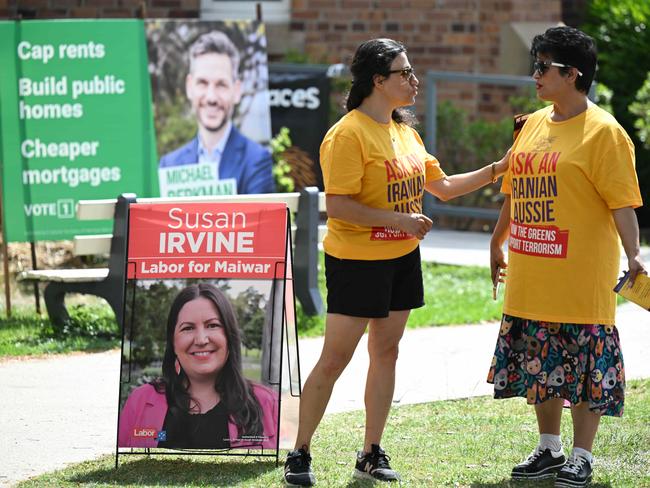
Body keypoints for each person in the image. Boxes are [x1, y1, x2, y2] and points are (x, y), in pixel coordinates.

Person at [283, 38, 511, 486]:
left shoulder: (405, 131)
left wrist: (499, 167)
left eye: (412, 71)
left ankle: (370, 452)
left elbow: (442, 186)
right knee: (334, 359)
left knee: (386, 352)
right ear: (378, 80)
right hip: (357, 262)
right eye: (404, 73)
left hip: (401, 260)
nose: (414, 80)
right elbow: (341, 206)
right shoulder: (347, 134)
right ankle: (299, 451)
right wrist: (398, 220)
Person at [487, 26, 645, 488]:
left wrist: (634, 254)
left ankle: (581, 455)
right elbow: (515, 191)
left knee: (583, 367)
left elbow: (622, 204)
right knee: (541, 361)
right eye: (534, 65)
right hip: (532, 271)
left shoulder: (605, 133)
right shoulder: (531, 124)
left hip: (581, 276)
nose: (534, 75)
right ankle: (549, 448)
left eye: (543, 67)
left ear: (572, 74)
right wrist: (496, 241)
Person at [118, 283, 278, 449]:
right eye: (188, 328)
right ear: (173, 342)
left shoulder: (268, 403)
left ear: (229, 336)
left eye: (212, 325)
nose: (201, 340)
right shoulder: (140, 401)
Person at [158, 31, 275, 195]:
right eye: (202, 83)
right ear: (189, 87)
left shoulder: (256, 160)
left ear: (236, 90)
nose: (211, 97)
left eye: (221, 84)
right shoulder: (169, 165)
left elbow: (259, 220)